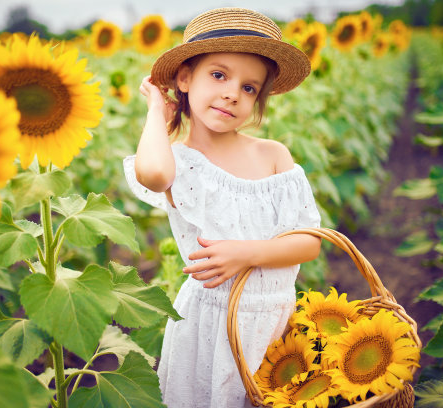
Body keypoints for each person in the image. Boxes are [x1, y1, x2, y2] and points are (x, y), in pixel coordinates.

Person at [123, 7, 322, 408]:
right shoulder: (180, 163)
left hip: (275, 322)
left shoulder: (273, 155)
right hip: (210, 325)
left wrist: (246, 253)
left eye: (250, 88)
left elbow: (308, 243)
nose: (233, 92)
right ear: (184, 78)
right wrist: (156, 112)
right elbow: (154, 174)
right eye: (218, 75)